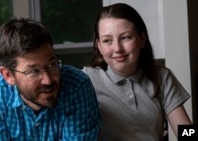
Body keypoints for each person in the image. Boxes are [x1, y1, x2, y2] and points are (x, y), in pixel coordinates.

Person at [0, 17, 100, 141]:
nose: (48, 80)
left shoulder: (77, 85)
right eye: (34, 71)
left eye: (52, 65)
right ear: (8, 75)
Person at [82, 3, 192, 141]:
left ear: (142, 39)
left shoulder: (162, 77)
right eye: (107, 40)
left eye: (125, 37)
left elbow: (185, 130)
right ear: (99, 46)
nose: (117, 48)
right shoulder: (86, 80)